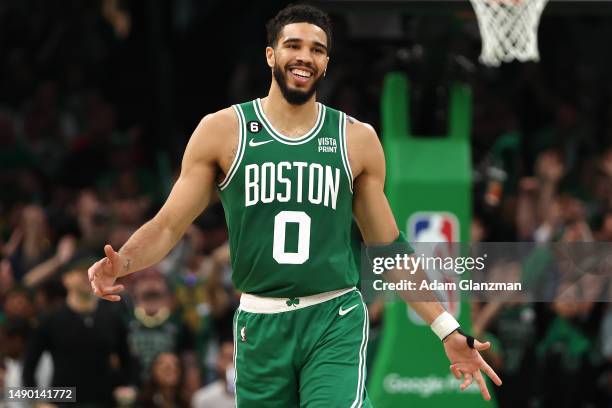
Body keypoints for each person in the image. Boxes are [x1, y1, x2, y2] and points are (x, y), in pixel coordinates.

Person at [89, 4, 501, 406]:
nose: (305, 56)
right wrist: (122, 262)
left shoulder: (355, 139)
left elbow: (390, 251)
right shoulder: (223, 132)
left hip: (333, 316)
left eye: (317, 49)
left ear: (326, 63)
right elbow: (167, 226)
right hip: (259, 321)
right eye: (294, 45)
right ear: (271, 54)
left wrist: (447, 329)